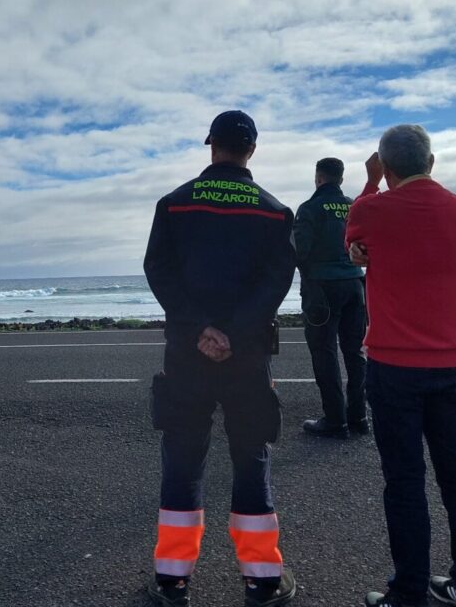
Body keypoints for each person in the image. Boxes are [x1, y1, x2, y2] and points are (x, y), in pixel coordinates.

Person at [143, 110, 297, 607]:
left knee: (183, 460)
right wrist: (233, 331)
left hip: (187, 354)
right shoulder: (275, 212)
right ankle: (261, 580)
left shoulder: (174, 204)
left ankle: (172, 580)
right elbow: (276, 283)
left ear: (211, 144)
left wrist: (199, 327)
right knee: (251, 458)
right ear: (252, 149)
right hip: (247, 356)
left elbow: (158, 271)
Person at [345, 125, 456, 607]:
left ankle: (408, 591)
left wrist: (370, 184)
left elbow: (354, 235)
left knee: (405, 482)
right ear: (431, 163)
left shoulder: (372, 205)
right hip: (451, 364)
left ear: (386, 169)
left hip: (393, 367)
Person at [293, 157, 368, 438]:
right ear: (341, 178)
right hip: (354, 284)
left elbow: (299, 250)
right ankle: (359, 415)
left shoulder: (310, 208)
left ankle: (336, 419)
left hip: (322, 289)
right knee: (355, 352)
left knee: (324, 353)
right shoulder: (353, 205)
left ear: (319, 177)